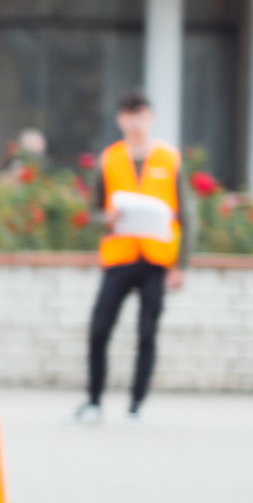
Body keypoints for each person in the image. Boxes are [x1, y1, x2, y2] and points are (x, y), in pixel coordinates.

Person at [77, 91, 192, 424]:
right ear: (120, 120)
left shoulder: (169, 159)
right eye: (128, 115)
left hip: (156, 258)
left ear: (151, 118)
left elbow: (186, 214)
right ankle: (94, 402)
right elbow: (93, 211)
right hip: (120, 256)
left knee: (146, 333)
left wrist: (180, 265)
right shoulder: (109, 158)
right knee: (99, 329)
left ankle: (135, 406)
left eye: (140, 114)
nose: (135, 121)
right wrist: (106, 219)